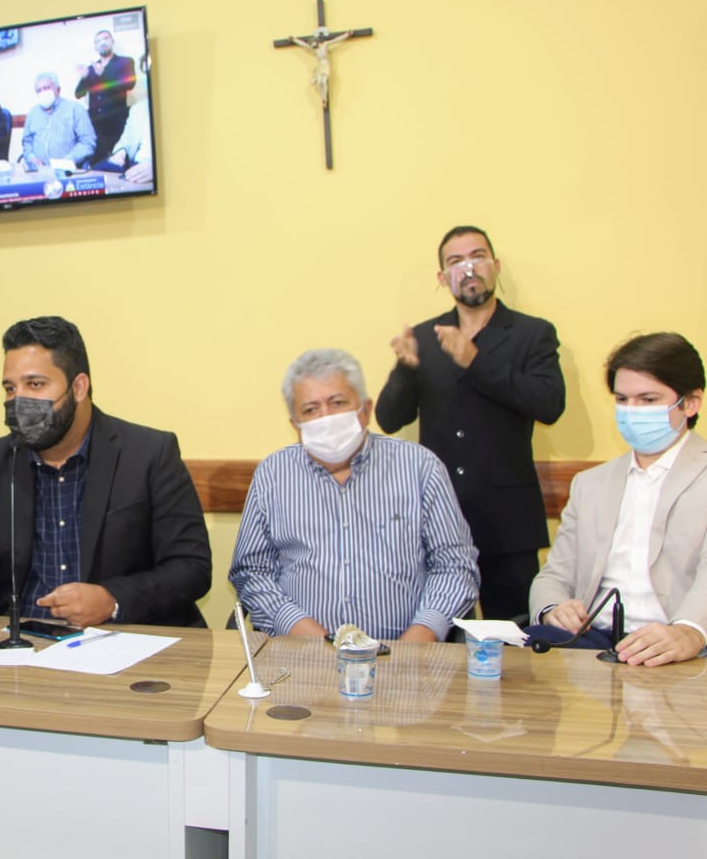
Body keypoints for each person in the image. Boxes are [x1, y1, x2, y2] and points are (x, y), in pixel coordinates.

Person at [0, 316, 211, 627]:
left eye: (35, 384)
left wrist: (112, 600)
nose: (19, 401)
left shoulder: (149, 453)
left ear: (79, 387)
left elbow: (191, 567)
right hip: (22, 643)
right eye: (10, 388)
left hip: (127, 639)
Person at [375, 225, 565, 620]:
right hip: (438, 516)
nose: (468, 269)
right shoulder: (425, 336)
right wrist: (406, 370)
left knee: (512, 637)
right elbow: (389, 420)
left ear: (495, 266)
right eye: (456, 261)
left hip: (508, 520)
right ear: (442, 277)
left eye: (478, 257)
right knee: (441, 633)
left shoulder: (533, 333)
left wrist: (475, 361)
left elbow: (549, 405)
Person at [230, 349, 479, 642]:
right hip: (302, 654)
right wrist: (300, 629)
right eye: (310, 410)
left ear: (365, 409)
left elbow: (454, 565)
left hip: (408, 654)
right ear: (295, 425)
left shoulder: (420, 467)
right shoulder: (273, 474)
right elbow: (252, 571)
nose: (325, 418)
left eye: (337, 403)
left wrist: (421, 636)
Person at [527, 333, 707, 666]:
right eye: (622, 399)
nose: (631, 411)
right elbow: (554, 575)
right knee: (522, 652)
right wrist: (553, 608)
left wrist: (689, 631)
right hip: (596, 639)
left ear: (691, 403)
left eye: (648, 399)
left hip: (681, 641)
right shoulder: (590, 484)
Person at [75, 29, 137, 161]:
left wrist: (104, 74)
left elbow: (129, 84)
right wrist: (85, 78)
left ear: (112, 41)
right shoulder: (91, 68)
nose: (102, 42)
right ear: (95, 47)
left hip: (117, 123)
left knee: (118, 161)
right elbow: (78, 94)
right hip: (96, 125)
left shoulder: (125, 62)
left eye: (106, 38)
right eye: (98, 41)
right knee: (97, 162)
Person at [20, 72, 96, 168]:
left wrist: (67, 161)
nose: (43, 93)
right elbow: (27, 142)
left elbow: (87, 143)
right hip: (38, 170)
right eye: (39, 90)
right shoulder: (33, 113)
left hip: (67, 170)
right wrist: (31, 157)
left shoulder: (75, 109)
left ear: (58, 90)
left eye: (46, 88)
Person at [99, 98, 153, 183]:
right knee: (97, 172)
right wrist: (120, 152)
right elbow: (125, 142)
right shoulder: (139, 107)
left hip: (153, 168)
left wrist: (156, 168)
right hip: (131, 165)